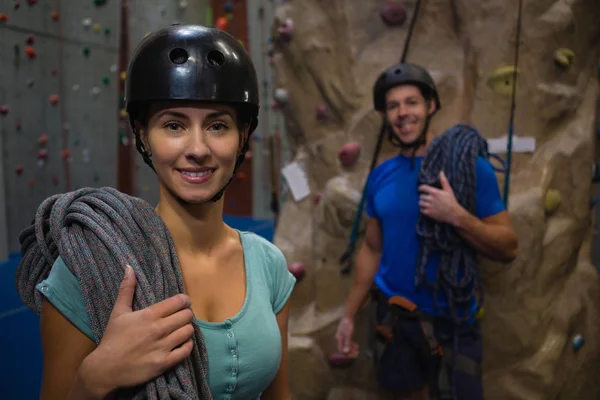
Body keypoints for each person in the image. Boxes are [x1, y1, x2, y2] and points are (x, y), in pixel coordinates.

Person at [34, 24, 296, 399]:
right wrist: (94, 378)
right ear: (143, 136)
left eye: (218, 125)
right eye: (174, 125)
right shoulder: (89, 265)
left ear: (243, 136)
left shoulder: (269, 264)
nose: (198, 148)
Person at [335, 63, 518, 400]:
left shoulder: (469, 167)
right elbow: (372, 250)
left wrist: (457, 216)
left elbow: (508, 247)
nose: (403, 113)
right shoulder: (381, 176)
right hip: (395, 320)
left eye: (412, 103)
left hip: (453, 324)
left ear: (431, 106)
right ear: (385, 115)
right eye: (393, 106)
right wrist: (348, 315)